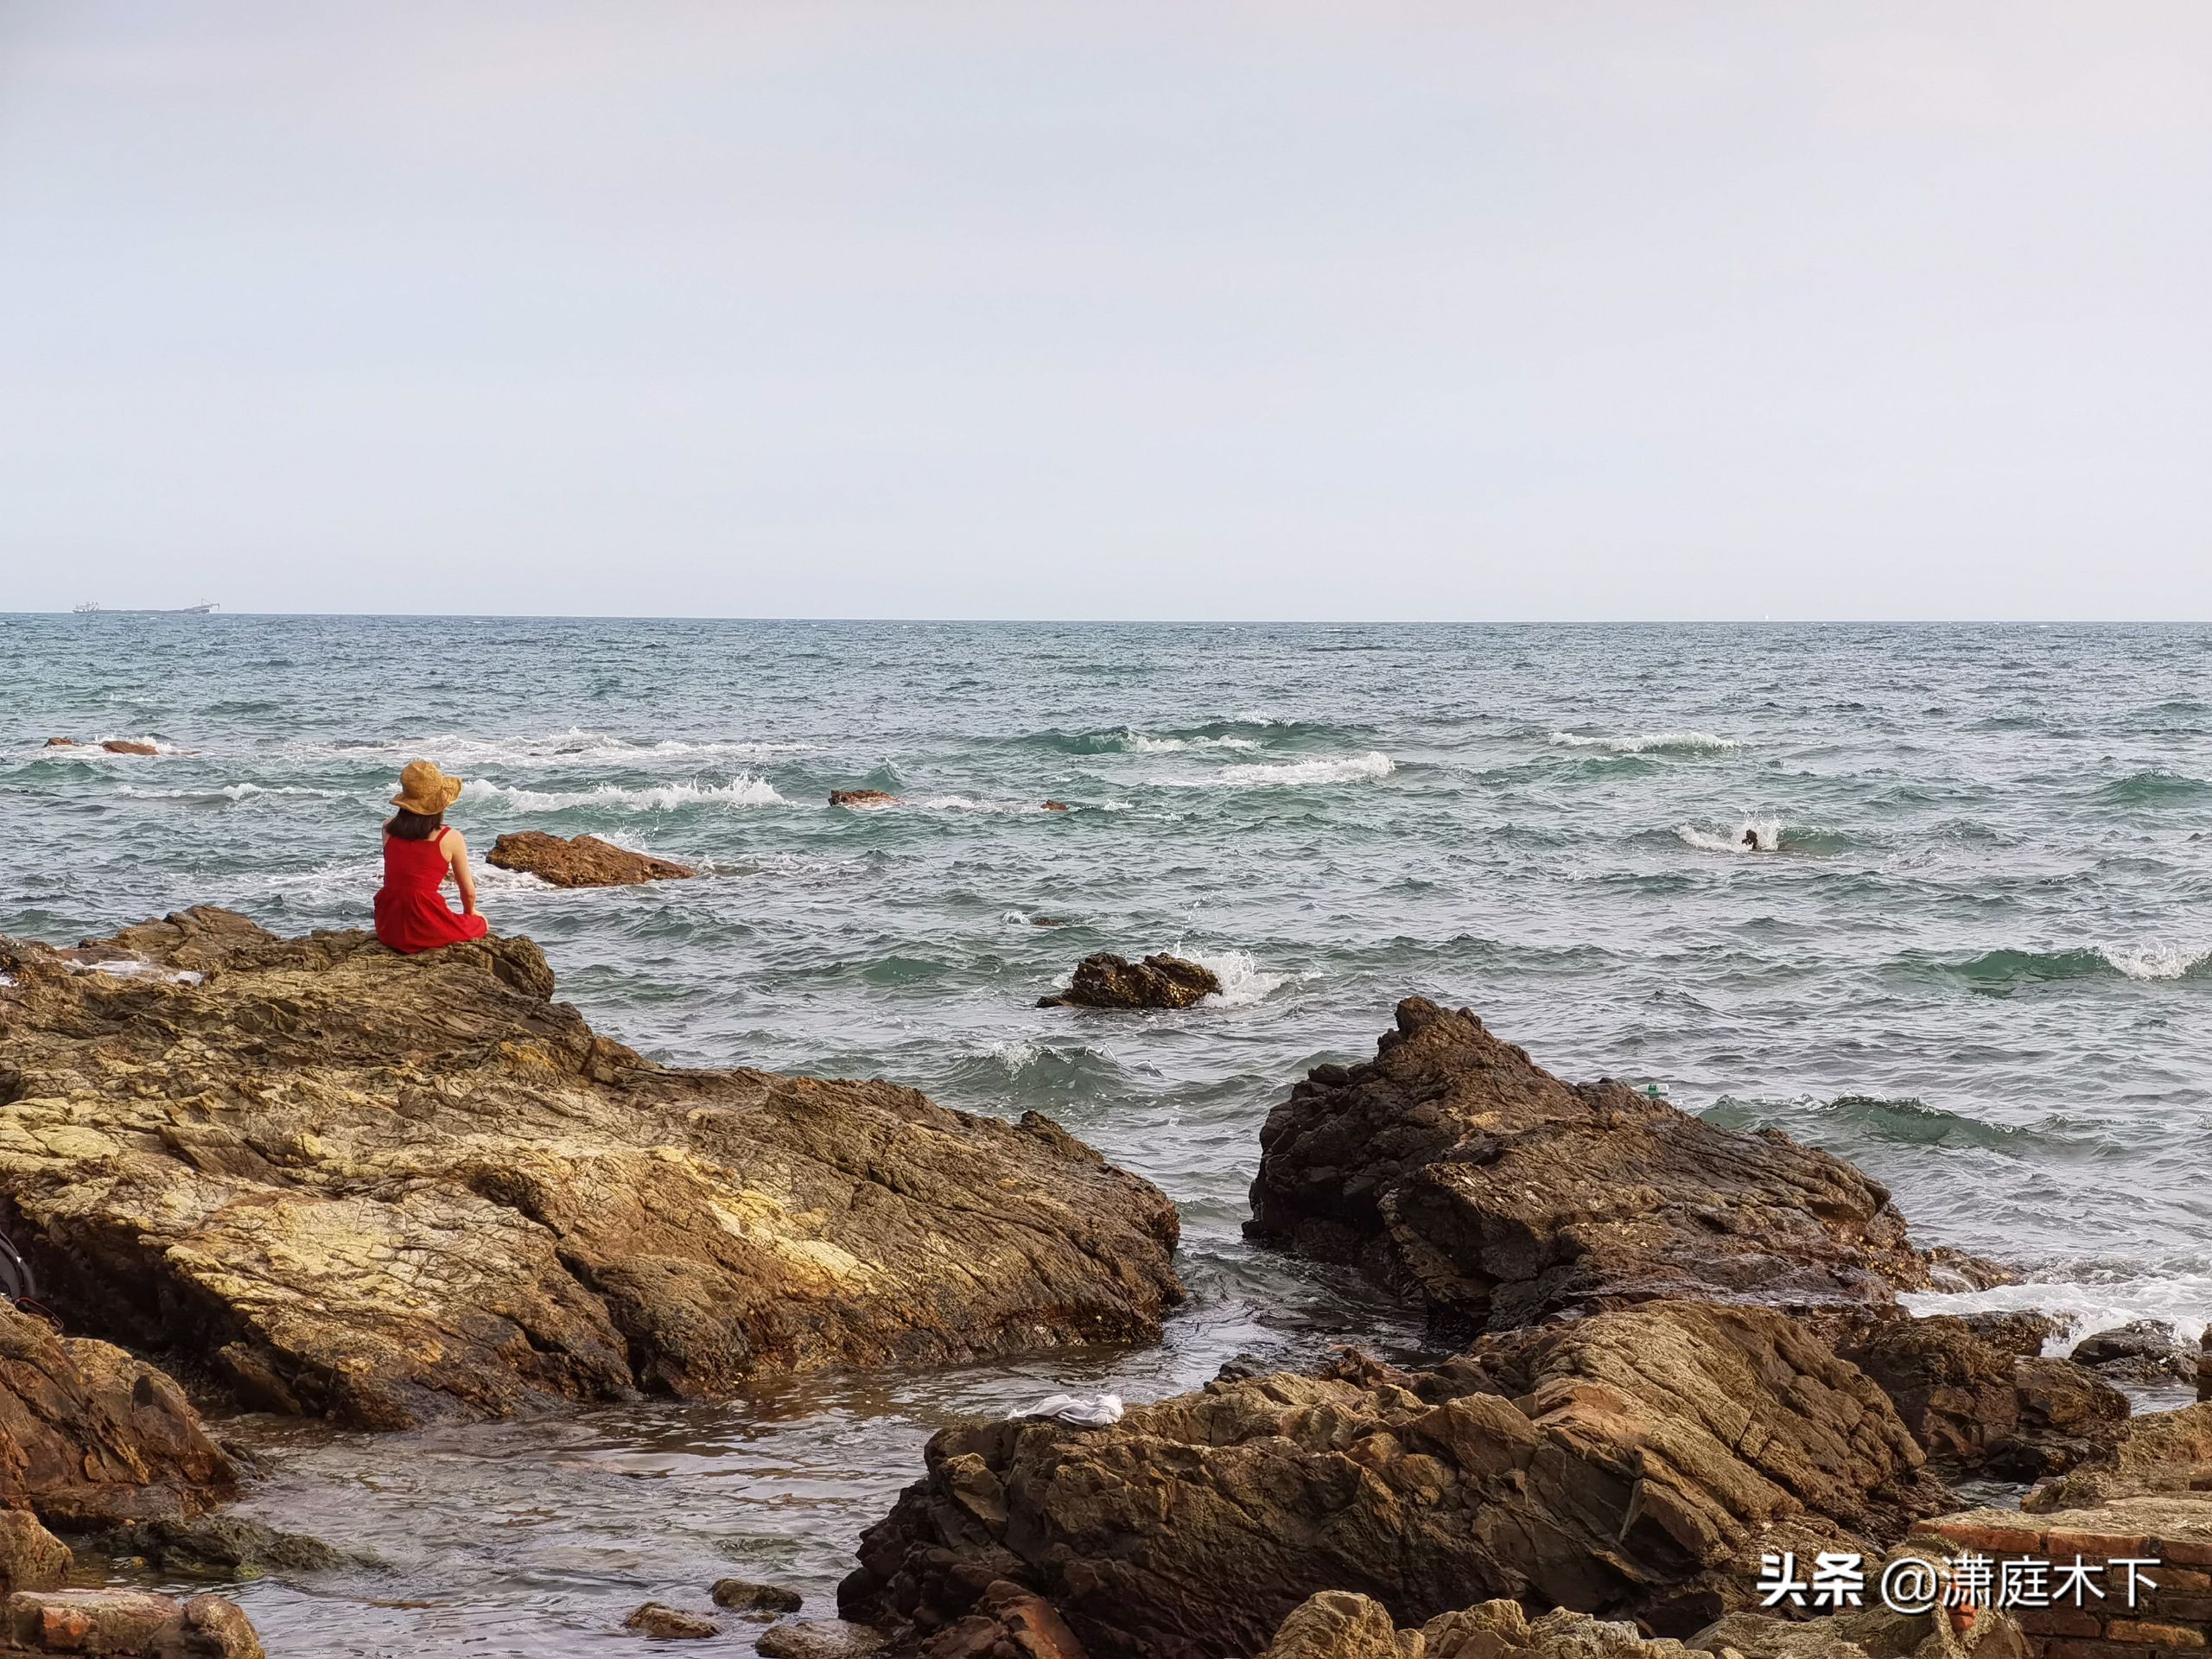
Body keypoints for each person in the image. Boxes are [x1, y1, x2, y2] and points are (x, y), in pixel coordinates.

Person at [373, 760, 490, 953]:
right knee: (480, 924)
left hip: (388, 924)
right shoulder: (451, 837)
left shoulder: (388, 828)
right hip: (423, 920)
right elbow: (468, 892)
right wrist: (471, 914)